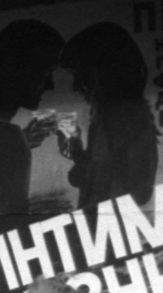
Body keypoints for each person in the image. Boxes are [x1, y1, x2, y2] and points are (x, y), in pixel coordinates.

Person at [0, 20, 65, 242]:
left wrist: (23, 142)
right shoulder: (4, 135)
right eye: (45, 71)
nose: (50, 85)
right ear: (20, 68)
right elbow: (8, 224)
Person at [56, 21, 160, 211]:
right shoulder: (106, 121)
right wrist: (77, 151)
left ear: (107, 75)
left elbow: (139, 193)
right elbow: (95, 181)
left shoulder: (131, 123)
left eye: (82, 76)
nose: (75, 87)